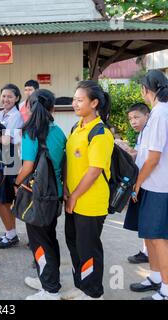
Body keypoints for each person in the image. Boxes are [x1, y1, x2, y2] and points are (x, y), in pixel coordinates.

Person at [63, 80, 114, 300]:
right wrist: (67, 190)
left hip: (90, 202)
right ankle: (80, 286)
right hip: (73, 200)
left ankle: (94, 293)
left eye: (79, 100)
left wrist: (74, 196)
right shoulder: (77, 128)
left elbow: (94, 171)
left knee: (89, 249)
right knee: (74, 244)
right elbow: (70, 163)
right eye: (74, 99)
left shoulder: (100, 133)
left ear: (94, 103)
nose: (75, 103)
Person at [15, 89, 66, 300]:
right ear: (52, 108)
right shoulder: (58, 131)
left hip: (36, 196)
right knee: (50, 238)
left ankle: (50, 290)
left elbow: (27, 167)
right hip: (56, 194)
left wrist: (16, 183)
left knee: (38, 241)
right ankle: (48, 279)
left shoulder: (31, 133)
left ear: (29, 107)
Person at [128, 70, 168, 301]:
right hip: (154, 184)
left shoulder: (160, 113)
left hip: (158, 186)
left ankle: (166, 288)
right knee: (151, 236)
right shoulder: (158, 112)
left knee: (159, 238)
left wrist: (137, 183)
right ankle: (155, 276)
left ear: (145, 89)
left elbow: (154, 157)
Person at [0, 84, 24, 249]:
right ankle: (9, 232)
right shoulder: (0, 114)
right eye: (4, 96)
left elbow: (5, 141)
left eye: (10, 97)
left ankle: (11, 234)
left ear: (17, 98)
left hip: (10, 161)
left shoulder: (16, 116)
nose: (6, 99)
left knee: (2, 200)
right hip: (1, 160)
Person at [119, 103, 150, 264]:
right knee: (145, 222)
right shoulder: (142, 134)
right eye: (130, 118)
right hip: (143, 183)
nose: (133, 122)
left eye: (137, 117)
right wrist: (128, 150)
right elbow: (140, 156)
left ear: (147, 116)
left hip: (149, 184)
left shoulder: (152, 132)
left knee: (152, 225)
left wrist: (137, 185)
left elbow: (150, 160)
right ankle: (146, 252)